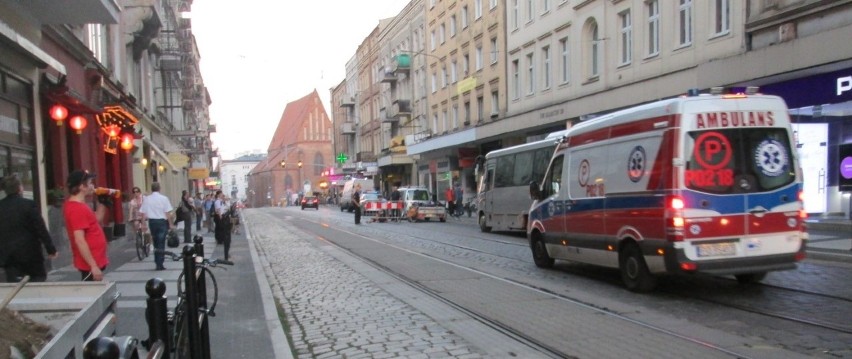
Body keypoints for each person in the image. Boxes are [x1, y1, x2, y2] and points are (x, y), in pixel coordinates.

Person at [0, 175, 59, 282]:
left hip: (9, 257)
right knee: (36, 283)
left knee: (14, 286)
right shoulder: (28, 205)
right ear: (20, 188)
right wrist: (51, 249)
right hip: (30, 255)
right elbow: (40, 229)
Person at [63, 170, 109, 281]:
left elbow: (96, 219)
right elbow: (79, 240)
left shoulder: (81, 205)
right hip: (90, 263)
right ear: (82, 187)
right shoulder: (77, 209)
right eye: (89, 183)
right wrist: (93, 266)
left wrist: (103, 203)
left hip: (96, 258)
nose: (92, 186)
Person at [139, 182, 174, 271]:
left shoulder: (147, 199)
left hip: (152, 222)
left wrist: (143, 224)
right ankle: (160, 262)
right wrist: (170, 223)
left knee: (155, 241)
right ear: (159, 188)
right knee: (161, 242)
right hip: (162, 222)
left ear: (151, 189)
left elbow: (143, 212)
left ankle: (157, 261)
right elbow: (167, 213)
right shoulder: (164, 198)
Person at [213, 191, 233, 263]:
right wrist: (220, 217)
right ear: (218, 195)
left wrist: (227, 201)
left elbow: (229, 209)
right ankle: (226, 255)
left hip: (227, 219)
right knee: (226, 237)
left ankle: (227, 253)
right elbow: (218, 210)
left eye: (223, 195)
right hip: (223, 220)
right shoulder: (218, 202)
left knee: (228, 238)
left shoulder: (224, 202)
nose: (223, 196)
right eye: (221, 195)